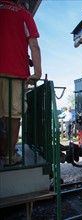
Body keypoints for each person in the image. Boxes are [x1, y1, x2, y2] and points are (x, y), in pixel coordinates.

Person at [0, 0, 42, 165]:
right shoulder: (23, 14)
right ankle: (10, 155)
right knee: (13, 113)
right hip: (14, 72)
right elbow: (34, 46)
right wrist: (37, 72)